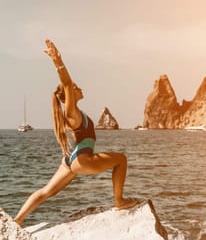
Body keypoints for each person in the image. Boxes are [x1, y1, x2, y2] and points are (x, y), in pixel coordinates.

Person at [14, 39, 138, 225]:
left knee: (46, 191)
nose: (80, 89)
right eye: (76, 88)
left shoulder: (76, 113)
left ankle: (18, 219)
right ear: (69, 94)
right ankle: (119, 201)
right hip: (81, 159)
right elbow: (67, 83)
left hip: (70, 159)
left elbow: (68, 86)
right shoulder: (70, 112)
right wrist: (57, 60)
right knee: (121, 159)